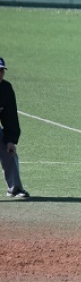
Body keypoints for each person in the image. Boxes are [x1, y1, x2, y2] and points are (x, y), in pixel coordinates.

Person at [0, 57, 30, 198]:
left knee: (9, 151)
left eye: (2, 70)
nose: (0, 74)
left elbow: (10, 117)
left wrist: (10, 140)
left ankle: (15, 188)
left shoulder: (5, 89)